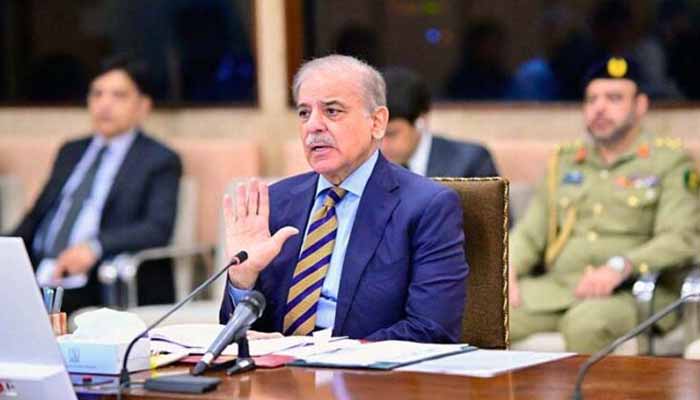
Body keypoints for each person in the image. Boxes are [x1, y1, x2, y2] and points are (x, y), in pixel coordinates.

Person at [219, 55, 468, 343]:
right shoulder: (275, 202)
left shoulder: (427, 207)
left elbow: (432, 329)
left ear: (377, 122)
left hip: (362, 369)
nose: (313, 126)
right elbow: (236, 333)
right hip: (278, 368)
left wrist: (320, 351)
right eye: (304, 113)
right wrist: (242, 280)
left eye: (332, 111)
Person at [508, 56, 700, 353]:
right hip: (561, 287)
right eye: (592, 99)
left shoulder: (669, 162)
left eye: (614, 98)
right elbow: (531, 232)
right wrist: (506, 267)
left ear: (640, 106)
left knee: (586, 324)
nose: (599, 108)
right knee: (481, 312)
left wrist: (620, 266)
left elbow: (681, 238)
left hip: (630, 291)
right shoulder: (566, 161)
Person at [11, 56, 182, 314]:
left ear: (143, 106)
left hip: (97, 278)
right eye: (97, 94)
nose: (104, 104)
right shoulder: (71, 151)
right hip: (38, 269)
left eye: (118, 95)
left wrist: (94, 247)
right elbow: (37, 216)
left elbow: (157, 227)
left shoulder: (158, 159)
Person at [381, 67, 500, 178]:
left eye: (391, 134)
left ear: (420, 121)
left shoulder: (472, 162)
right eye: (376, 134)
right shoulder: (371, 165)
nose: (382, 146)